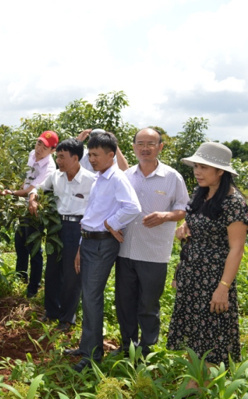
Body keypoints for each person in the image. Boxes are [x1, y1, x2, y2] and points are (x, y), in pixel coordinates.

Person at [167, 142, 247, 391]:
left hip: (214, 278)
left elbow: (236, 249)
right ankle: (194, 374)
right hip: (192, 273)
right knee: (194, 328)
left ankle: (200, 385)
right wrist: (184, 229)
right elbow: (197, 223)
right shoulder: (201, 193)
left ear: (220, 171)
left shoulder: (234, 203)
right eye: (196, 166)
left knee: (212, 332)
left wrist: (223, 287)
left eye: (203, 167)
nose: (197, 171)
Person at [64, 131, 141, 372]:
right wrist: (79, 246)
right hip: (88, 242)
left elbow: (133, 207)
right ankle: (87, 346)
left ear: (111, 155)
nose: (92, 159)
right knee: (88, 297)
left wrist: (111, 224)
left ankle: (92, 356)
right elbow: (91, 215)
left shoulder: (116, 178)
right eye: (90, 154)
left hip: (100, 244)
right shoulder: (101, 177)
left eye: (96, 155)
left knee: (92, 298)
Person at [114, 128, 189, 357]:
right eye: (140, 143)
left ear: (160, 147)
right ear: (134, 147)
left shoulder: (172, 177)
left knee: (148, 304)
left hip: (154, 253)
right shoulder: (126, 177)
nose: (145, 148)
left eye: (150, 143)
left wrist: (166, 216)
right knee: (125, 303)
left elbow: (184, 207)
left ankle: (147, 350)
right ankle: (127, 346)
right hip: (125, 250)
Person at [28, 138, 95, 330]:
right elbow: (37, 188)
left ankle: (67, 318)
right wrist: (33, 199)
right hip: (56, 228)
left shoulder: (91, 181)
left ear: (75, 158)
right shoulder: (56, 176)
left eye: (62, 157)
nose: (58, 160)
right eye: (57, 156)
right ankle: (51, 312)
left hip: (78, 229)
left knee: (72, 274)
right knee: (52, 271)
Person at [0, 131, 58, 298]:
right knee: (20, 244)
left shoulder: (50, 168)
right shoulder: (32, 155)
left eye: (44, 147)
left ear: (53, 150)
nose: (39, 148)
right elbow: (27, 180)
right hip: (24, 207)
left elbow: (32, 191)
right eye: (38, 143)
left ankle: (33, 288)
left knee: (34, 249)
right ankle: (20, 279)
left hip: (36, 210)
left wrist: (11, 193)